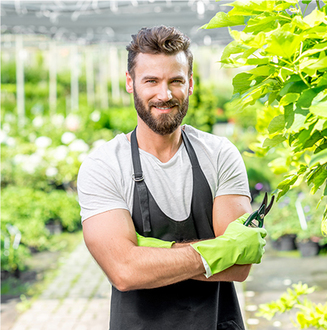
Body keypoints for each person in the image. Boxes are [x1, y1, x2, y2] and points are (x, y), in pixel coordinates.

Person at [77, 25, 267, 330]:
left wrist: (148, 252)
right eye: (151, 81)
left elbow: (240, 264)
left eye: (175, 81)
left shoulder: (219, 154)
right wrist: (222, 247)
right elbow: (124, 271)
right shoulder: (104, 166)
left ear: (190, 84)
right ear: (130, 82)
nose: (164, 95)